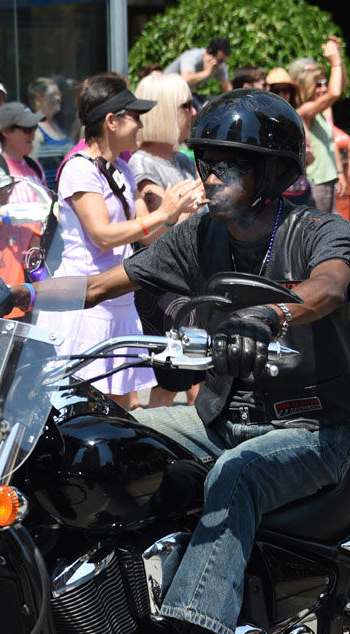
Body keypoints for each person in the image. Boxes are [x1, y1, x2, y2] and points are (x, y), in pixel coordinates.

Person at [0, 89, 350, 634]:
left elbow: (330, 286)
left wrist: (271, 314)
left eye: (231, 165)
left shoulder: (315, 231)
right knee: (96, 441)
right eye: (210, 161)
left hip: (312, 430)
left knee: (234, 477)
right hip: (222, 416)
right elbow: (105, 283)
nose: (211, 176)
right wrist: (18, 294)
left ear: (272, 176)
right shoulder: (202, 235)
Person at [42, 74, 201, 410]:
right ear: (111, 121)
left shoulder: (121, 170)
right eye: (135, 117)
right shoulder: (78, 169)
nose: (141, 125)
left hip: (118, 299)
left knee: (118, 404)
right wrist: (163, 215)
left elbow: (144, 233)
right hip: (87, 304)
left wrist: (181, 212)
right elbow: (101, 234)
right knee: (80, 406)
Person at [130, 72, 204, 407]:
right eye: (186, 105)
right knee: (171, 376)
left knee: (199, 373)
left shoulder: (181, 159)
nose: (193, 112)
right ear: (163, 112)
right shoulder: (141, 163)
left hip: (190, 279)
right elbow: (158, 232)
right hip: (163, 287)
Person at [289, 37, 347, 214]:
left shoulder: (321, 112)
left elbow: (340, 88)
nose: (323, 88)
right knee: (317, 234)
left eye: (324, 83)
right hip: (316, 183)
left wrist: (339, 59)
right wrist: (335, 62)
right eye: (318, 84)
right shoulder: (304, 110)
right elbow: (334, 92)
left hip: (326, 180)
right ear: (306, 86)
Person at [0, 102, 46, 185]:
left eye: (34, 127)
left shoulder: (36, 167)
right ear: (6, 131)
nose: (33, 134)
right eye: (27, 129)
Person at [165, 37, 233, 95]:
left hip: (184, 93)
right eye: (220, 60)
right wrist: (206, 72)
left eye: (224, 61)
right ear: (209, 53)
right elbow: (185, 80)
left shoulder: (220, 65)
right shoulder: (193, 56)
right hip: (166, 90)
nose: (221, 64)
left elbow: (227, 88)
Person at [28, 76, 69, 162]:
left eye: (59, 94)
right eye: (53, 94)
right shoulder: (34, 129)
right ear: (40, 98)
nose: (58, 98)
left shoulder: (57, 125)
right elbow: (33, 166)